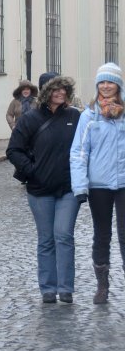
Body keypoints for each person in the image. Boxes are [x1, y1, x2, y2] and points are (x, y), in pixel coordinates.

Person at [7, 73, 81, 304]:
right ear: (46, 92)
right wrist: (32, 170)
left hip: (68, 189)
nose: (61, 93)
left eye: (64, 89)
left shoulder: (75, 117)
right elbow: (13, 150)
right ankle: (48, 288)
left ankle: (66, 287)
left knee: (64, 235)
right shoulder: (31, 119)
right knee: (46, 238)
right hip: (40, 190)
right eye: (56, 89)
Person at [70, 62, 125, 305]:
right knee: (101, 235)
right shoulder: (89, 115)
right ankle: (102, 285)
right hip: (99, 185)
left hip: (124, 183)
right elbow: (79, 152)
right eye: (101, 82)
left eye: (110, 82)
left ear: (118, 86)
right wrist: (80, 185)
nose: (105, 86)